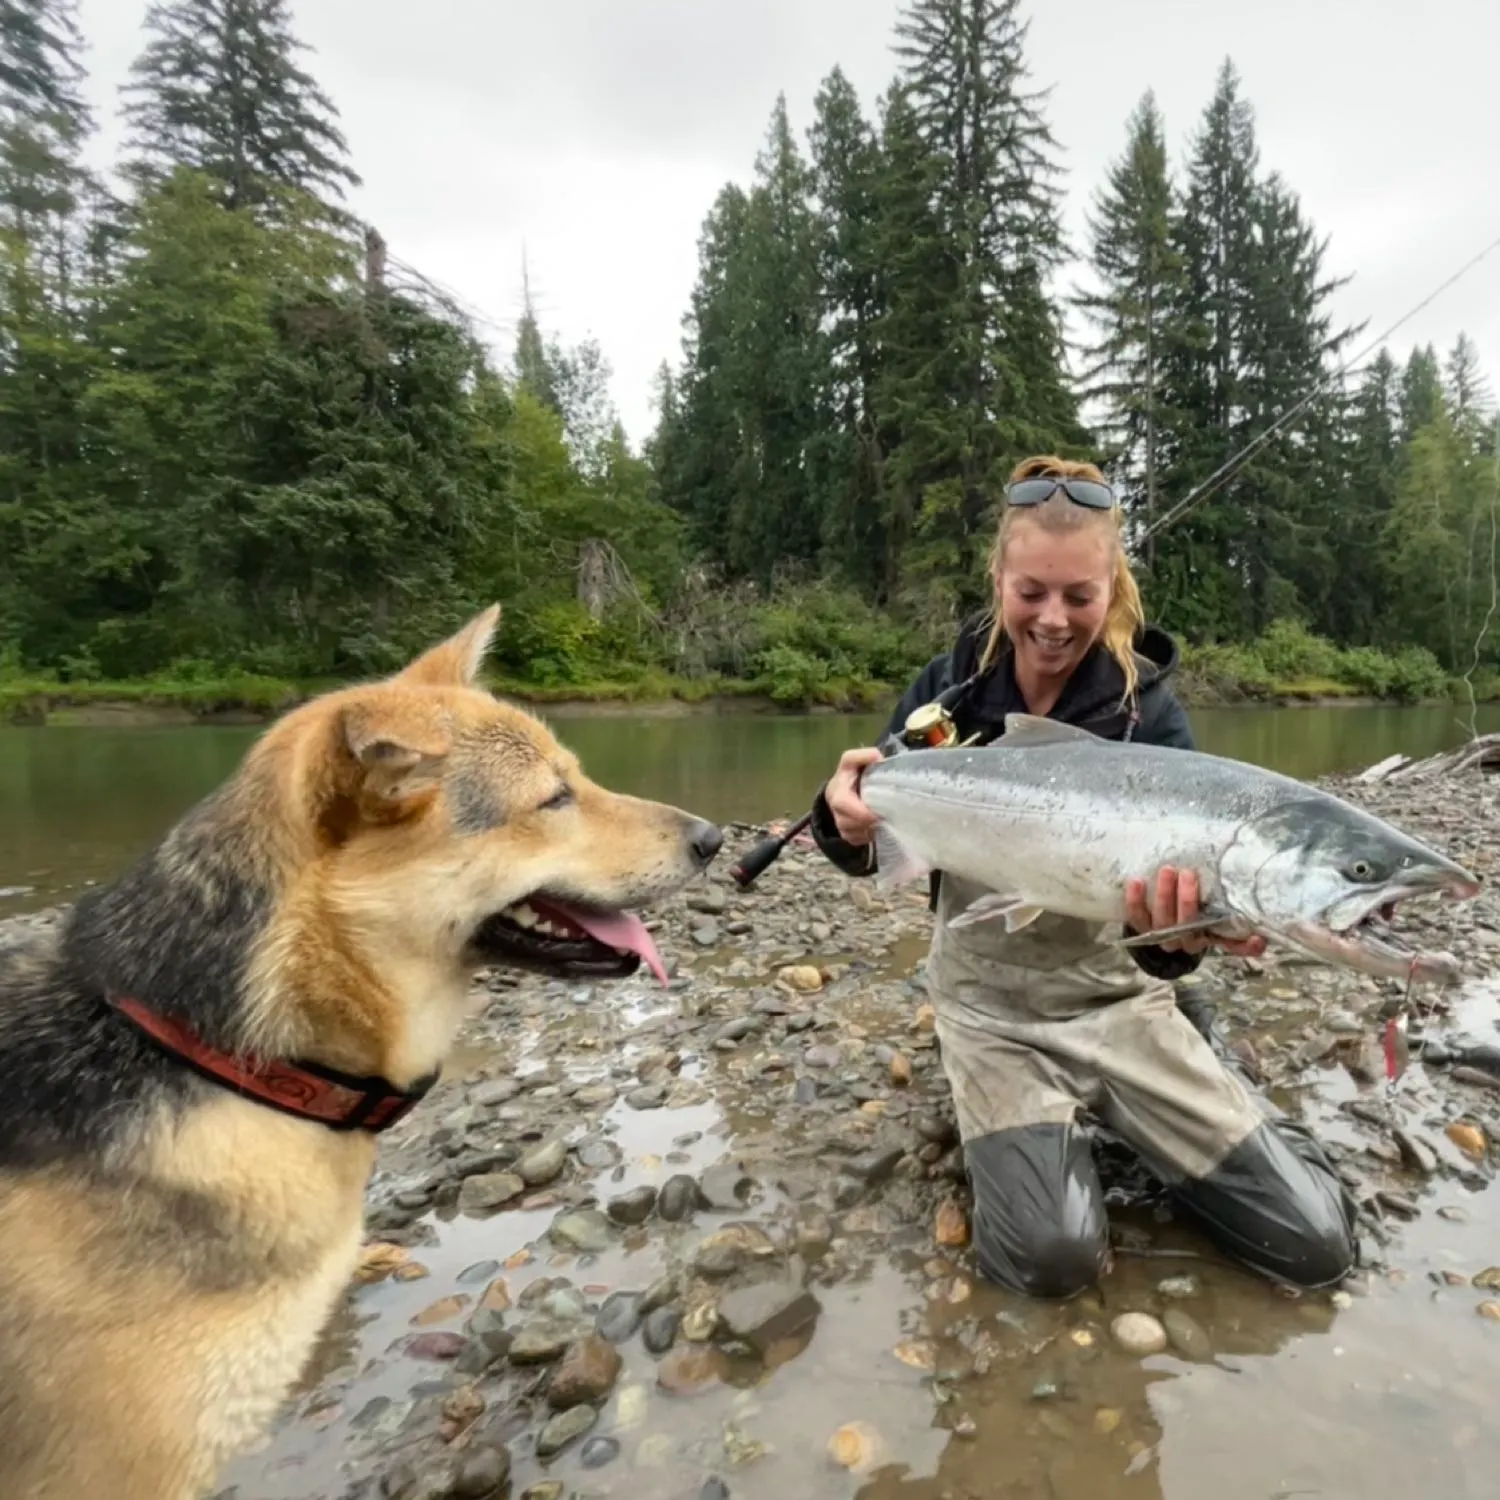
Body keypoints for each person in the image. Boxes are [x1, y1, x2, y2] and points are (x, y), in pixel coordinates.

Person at [810, 455, 1359, 1299]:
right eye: (1031, 592)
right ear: (998, 580)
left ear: (1115, 588)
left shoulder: (1151, 715)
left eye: (1080, 595)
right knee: (1052, 1261)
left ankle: (1217, 1078)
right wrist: (838, 816)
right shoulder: (946, 695)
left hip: (1116, 1002)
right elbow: (874, 840)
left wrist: (1176, 945)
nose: (1055, 619)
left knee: (1316, 1243)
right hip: (989, 1010)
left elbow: (1165, 951)